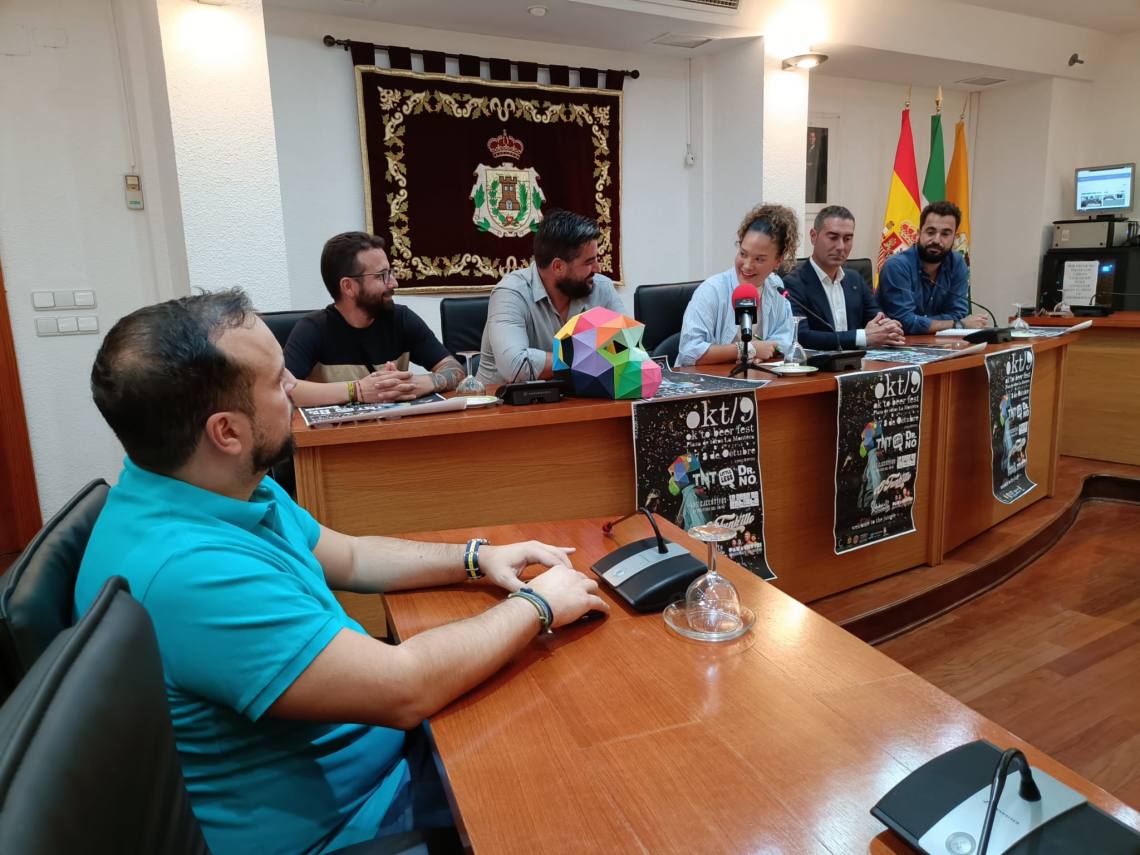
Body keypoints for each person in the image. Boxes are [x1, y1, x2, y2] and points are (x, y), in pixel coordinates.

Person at [75, 290, 607, 855]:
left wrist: (476, 558)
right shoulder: (190, 572)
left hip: (384, 761)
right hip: (354, 824)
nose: (293, 388)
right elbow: (404, 686)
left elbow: (350, 556)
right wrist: (538, 605)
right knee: (587, 794)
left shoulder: (216, 483)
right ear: (226, 432)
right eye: (278, 381)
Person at [285, 232, 465, 408]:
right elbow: (284, 389)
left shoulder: (401, 318)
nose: (393, 283)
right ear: (348, 286)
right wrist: (357, 390)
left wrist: (420, 383)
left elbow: (454, 369)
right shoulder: (313, 329)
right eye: (381, 276)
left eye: (390, 273)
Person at [476, 209, 625, 385]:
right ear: (558, 267)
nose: (597, 269)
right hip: (503, 401)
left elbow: (628, 351)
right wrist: (592, 358)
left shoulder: (601, 287)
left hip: (576, 398)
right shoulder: (510, 293)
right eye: (589, 262)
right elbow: (515, 367)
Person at [676, 203, 798, 367]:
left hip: (756, 376)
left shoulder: (775, 286)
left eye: (759, 259)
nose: (747, 265)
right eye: (743, 254)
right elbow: (689, 352)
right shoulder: (711, 291)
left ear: (778, 261)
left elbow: (784, 338)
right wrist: (747, 349)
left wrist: (763, 354)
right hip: (705, 379)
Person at [782, 206, 904, 350]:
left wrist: (888, 328)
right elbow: (801, 336)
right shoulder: (793, 283)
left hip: (859, 360)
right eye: (833, 237)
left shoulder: (855, 279)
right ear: (813, 236)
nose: (841, 246)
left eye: (847, 239)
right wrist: (862, 337)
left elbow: (877, 318)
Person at [877, 201, 989, 334]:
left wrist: (924, 323)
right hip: (895, 342)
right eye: (930, 232)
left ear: (954, 238)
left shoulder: (957, 263)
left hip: (938, 342)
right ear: (919, 233)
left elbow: (958, 313)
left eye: (945, 234)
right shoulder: (897, 266)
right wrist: (957, 324)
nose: (936, 240)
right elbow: (904, 322)